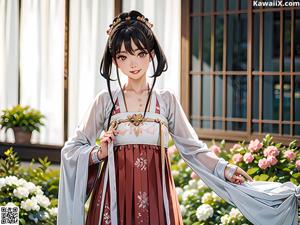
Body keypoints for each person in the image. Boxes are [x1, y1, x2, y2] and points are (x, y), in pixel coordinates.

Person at [57, 10, 300, 225]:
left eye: (140, 53)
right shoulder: (106, 100)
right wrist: (98, 153)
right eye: (123, 56)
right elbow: (71, 150)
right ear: (114, 61)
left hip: (156, 196)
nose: (133, 63)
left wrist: (224, 168)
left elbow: (192, 149)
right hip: (113, 197)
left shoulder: (166, 100)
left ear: (151, 54)